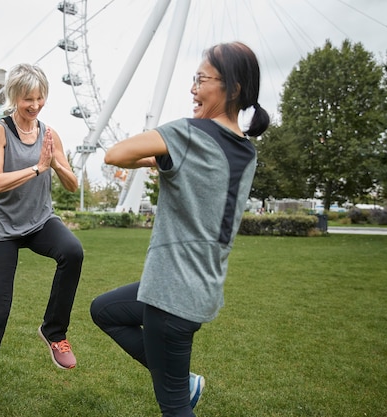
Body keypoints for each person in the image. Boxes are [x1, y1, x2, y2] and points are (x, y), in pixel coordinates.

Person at [90, 42, 270, 416]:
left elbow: (114, 154)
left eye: (201, 79)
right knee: (104, 310)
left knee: (174, 408)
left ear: (232, 88)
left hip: (171, 293)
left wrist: (159, 159)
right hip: (200, 288)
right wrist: (166, 162)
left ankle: (179, 382)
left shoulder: (189, 134)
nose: (193, 88)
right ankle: (179, 379)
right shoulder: (246, 152)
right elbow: (205, 182)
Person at [0, 63, 84, 417]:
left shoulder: (50, 133)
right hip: (4, 226)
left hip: (40, 221)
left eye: (40, 97)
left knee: (72, 251)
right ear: (14, 97)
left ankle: (53, 330)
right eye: (28, 98)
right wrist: (36, 168)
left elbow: (73, 184)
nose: (35, 104)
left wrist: (55, 164)